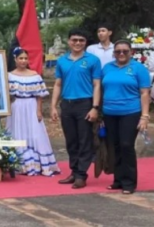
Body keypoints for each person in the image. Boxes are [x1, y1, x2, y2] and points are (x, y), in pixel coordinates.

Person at [50, 28, 101, 189]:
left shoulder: (92, 60)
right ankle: (74, 171)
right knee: (71, 140)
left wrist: (95, 107)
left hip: (85, 104)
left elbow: (97, 85)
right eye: (74, 40)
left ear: (85, 43)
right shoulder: (62, 60)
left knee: (84, 140)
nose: (78, 43)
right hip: (67, 104)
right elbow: (58, 84)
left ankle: (81, 175)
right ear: (69, 41)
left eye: (81, 40)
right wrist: (53, 106)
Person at [101, 39, 150, 194]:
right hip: (109, 113)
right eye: (118, 51)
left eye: (125, 51)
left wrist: (145, 116)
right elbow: (101, 90)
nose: (121, 54)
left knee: (126, 145)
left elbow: (144, 93)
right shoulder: (107, 68)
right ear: (114, 53)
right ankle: (118, 180)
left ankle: (129, 182)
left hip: (130, 112)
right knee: (114, 147)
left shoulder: (138, 68)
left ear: (131, 52)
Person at [6, 47, 60, 176]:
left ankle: (38, 162)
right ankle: (20, 163)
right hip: (16, 106)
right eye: (20, 58)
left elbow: (39, 95)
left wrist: (39, 111)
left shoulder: (35, 75)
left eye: (25, 58)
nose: (23, 61)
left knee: (35, 132)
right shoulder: (9, 75)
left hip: (31, 105)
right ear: (15, 59)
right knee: (17, 132)